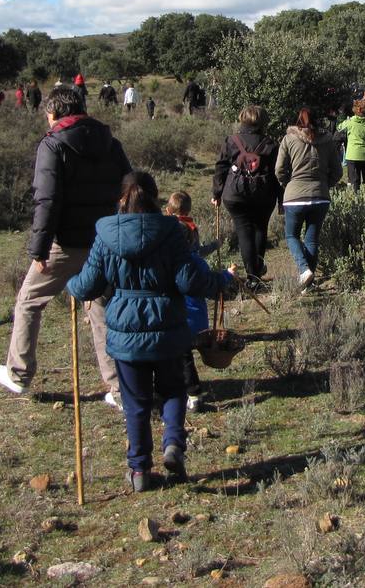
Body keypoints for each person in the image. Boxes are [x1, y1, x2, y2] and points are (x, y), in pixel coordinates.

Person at [66, 172, 238, 492]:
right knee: (173, 391)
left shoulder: (106, 234)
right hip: (168, 328)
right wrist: (220, 281)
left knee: (136, 402)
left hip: (125, 333)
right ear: (157, 198)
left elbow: (88, 285)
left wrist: (71, 284)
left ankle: (139, 470)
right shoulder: (171, 232)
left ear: (121, 199)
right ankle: (173, 445)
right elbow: (190, 281)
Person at [0, 86, 133, 408]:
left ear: (54, 113)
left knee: (29, 300)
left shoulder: (52, 144)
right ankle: (120, 389)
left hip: (65, 244)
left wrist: (39, 248)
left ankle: (18, 374)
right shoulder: (110, 142)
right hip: (104, 242)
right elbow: (130, 188)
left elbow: (47, 200)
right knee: (101, 309)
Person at [164, 190, 220, 413]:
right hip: (195, 314)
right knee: (183, 354)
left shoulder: (167, 232)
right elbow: (201, 262)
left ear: (168, 210)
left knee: (181, 354)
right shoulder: (192, 234)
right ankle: (190, 393)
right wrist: (214, 247)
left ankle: (192, 393)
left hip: (177, 314)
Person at [276, 108, 343, 290]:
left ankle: (304, 270)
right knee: (312, 240)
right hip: (320, 196)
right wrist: (325, 184)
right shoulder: (327, 140)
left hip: (295, 196)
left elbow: (279, 169)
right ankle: (309, 284)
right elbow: (338, 171)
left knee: (291, 235)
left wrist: (287, 184)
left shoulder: (289, 139)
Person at [212, 106, 280, 282]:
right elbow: (278, 173)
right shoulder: (271, 144)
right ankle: (256, 274)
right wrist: (281, 199)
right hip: (264, 194)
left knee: (244, 232)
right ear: (264, 122)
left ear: (243, 119)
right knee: (260, 229)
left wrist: (216, 193)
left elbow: (221, 167)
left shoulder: (231, 140)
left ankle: (252, 276)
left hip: (235, 194)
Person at [336, 98, 365, 190]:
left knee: (354, 181)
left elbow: (339, 129)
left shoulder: (349, 123)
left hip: (353, 156)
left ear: (357, 110)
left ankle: (356, 197)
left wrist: (341, 116)